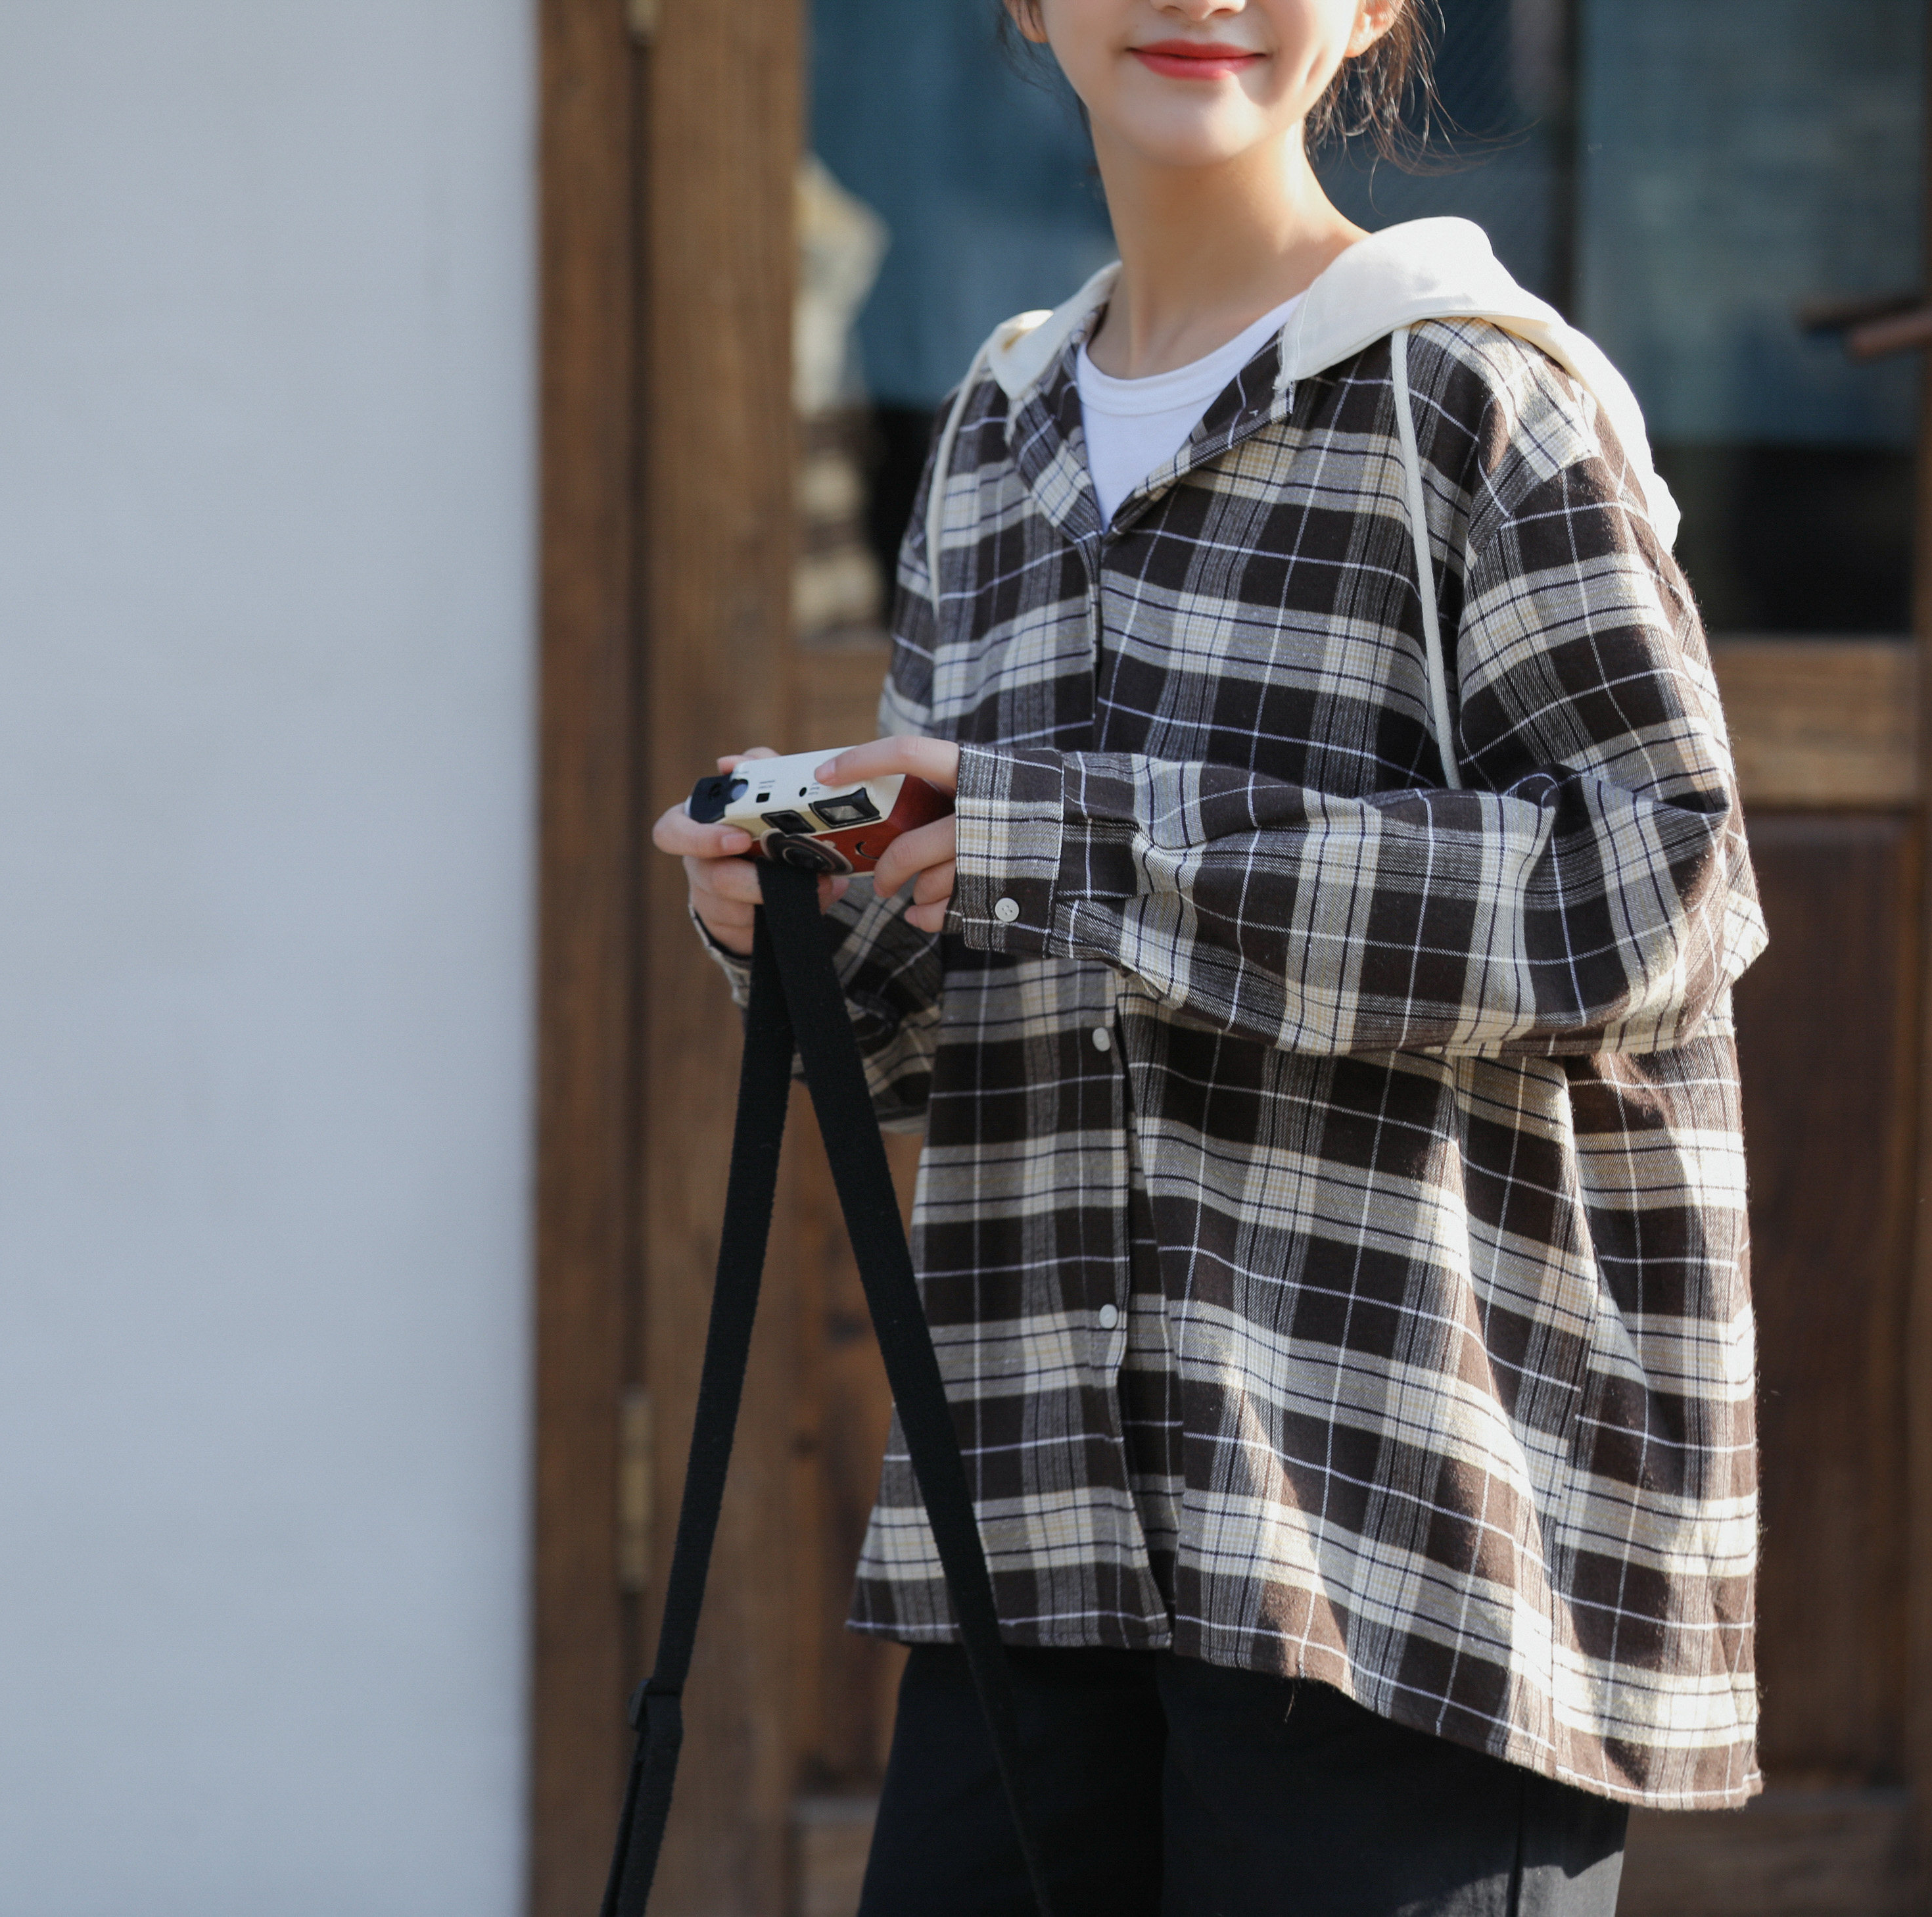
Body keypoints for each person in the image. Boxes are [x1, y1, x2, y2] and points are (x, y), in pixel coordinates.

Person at [651, 1, 1766, 1910]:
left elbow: (1660, 884)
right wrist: (807, 928)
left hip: (1396, 1543)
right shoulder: (998, 435)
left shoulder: (1476, 396)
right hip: (1034, 1535)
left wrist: (1074, 842)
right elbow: (968, 1011)